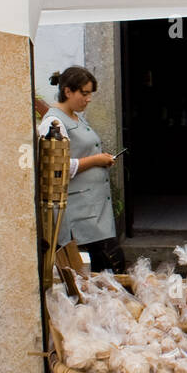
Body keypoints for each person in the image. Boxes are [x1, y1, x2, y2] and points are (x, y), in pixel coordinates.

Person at [37, 65, 125, 273]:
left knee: (105, 267)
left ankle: (108, 304)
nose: (89, 99)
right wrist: (96, 160)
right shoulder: (54, 121)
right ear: (68, 91)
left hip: (93, 206)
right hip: (80, 208)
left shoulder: (77, 117)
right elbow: (56, 168)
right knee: (113, 263)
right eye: (84, 93)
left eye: (90, 94)